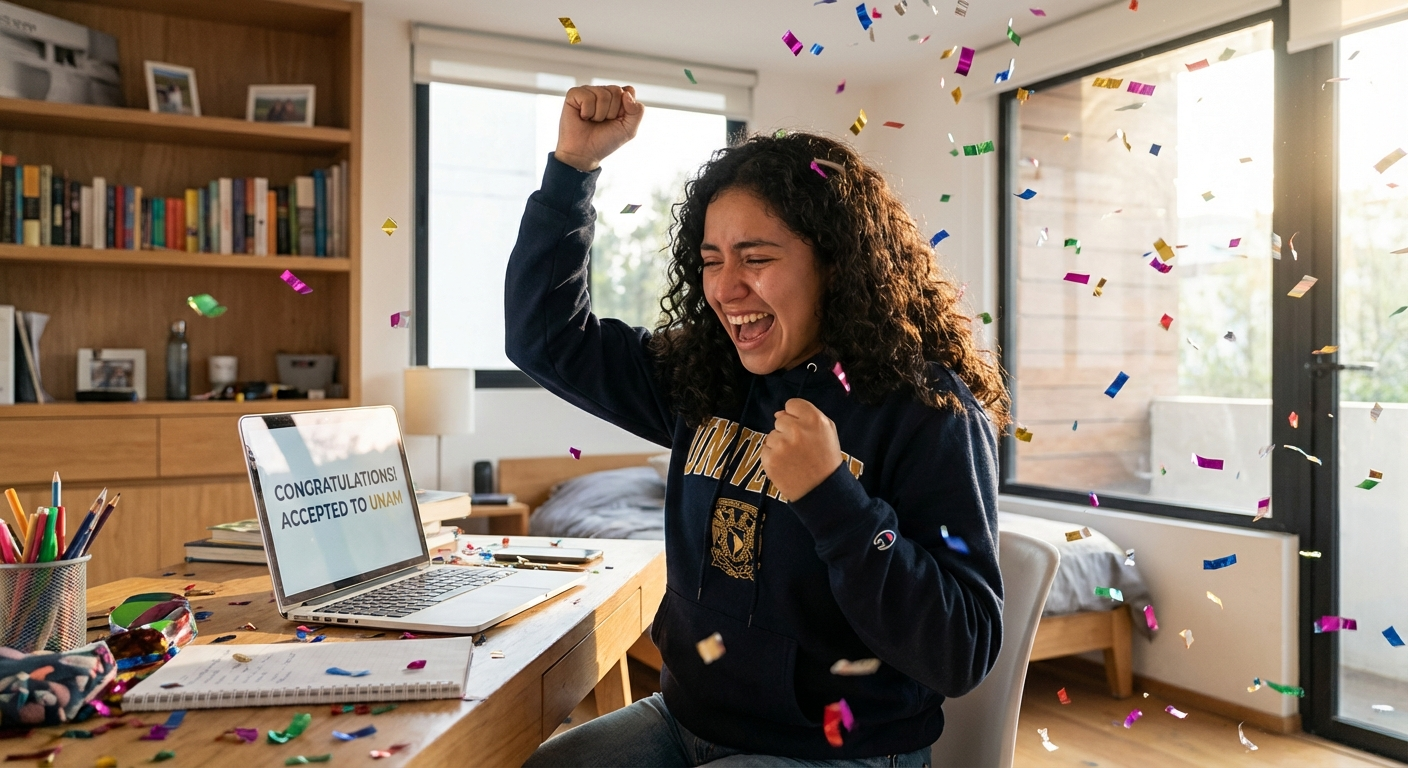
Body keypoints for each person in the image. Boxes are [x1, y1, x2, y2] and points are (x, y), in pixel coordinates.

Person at [509, 84, 1008, 767]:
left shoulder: (929, 411)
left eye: (756, 258)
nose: (725, 288)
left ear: (835, 263)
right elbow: (545, 339)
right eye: (712, 260)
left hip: (838, 752)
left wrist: (833, 499)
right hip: (683, 720)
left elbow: (962, 649)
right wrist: (572, 169)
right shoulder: (708, 374)